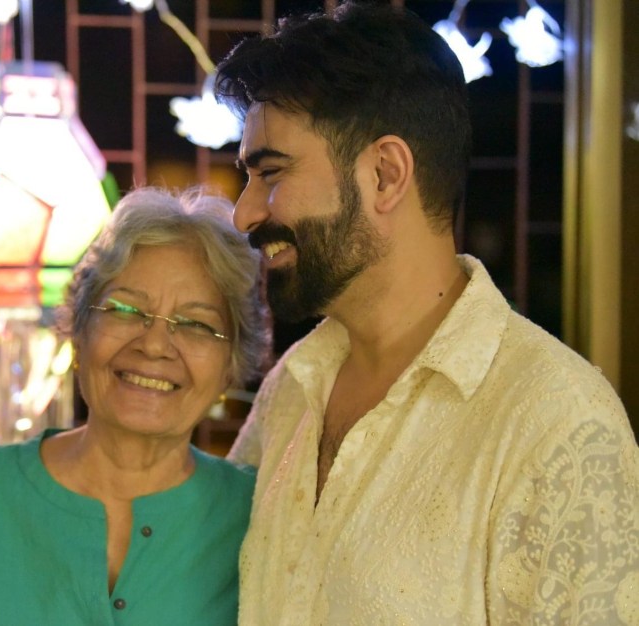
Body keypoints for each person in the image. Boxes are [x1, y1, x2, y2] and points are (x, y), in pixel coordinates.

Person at [213, 1, 639, 624]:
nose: (244, 213)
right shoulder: (296, 383)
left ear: (385, 175)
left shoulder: (556, 420)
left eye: (271, 173)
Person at [0, 186, 271, 625]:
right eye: (125, 310)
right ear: (78, 330)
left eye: (195, 324)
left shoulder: (261, 518)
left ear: (231, 365)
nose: (154, 345)